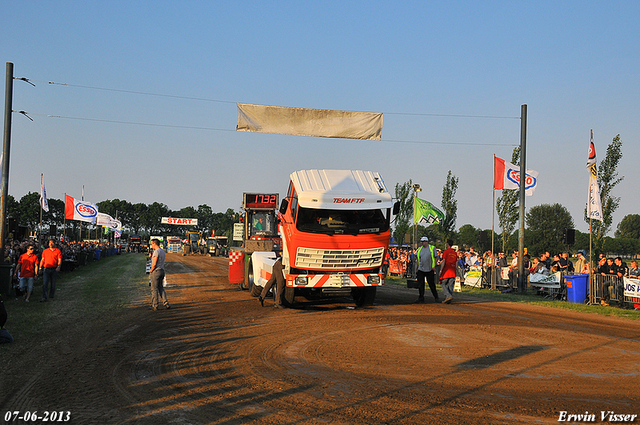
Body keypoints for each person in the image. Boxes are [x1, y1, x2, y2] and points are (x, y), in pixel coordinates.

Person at [414, 236, 439, 303]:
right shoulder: (420, 249)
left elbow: (436, 257)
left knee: (431, 284)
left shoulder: (432, 248)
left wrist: (434, 265)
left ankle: (436, 297)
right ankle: (421, 297)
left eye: (424, 241)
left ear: (427, 242)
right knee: (421, 284)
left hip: (429, 269)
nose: (422, 243)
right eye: (422, 241)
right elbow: (418, 259)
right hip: (421, 269)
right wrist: (417, 268)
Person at [149, 238, 170, 310]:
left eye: (151, 244)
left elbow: (154, 264)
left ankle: (155, 305)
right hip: (162, 271)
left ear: (155, 243)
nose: (151, 245)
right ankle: (166, 302)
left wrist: (151, 270)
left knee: (154, 289)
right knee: (161, 288)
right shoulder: (162, 251)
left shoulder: (156, 252)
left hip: (156, 271)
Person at [439, 239, 458, 304]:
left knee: (443, 283)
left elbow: (444, 261)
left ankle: (448, 296)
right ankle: (449, 299)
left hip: (447, 270)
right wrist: (456, 271)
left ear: (447, 244)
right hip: (453, 270)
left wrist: (441, 270)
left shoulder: (446, 252)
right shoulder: (455, 253)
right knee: (450, 285)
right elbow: (456, 263)